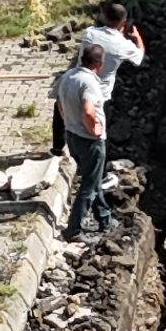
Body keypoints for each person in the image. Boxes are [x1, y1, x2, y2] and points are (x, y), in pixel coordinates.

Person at [53, 39, 119, 238]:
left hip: (72, 136)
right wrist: (95, 130)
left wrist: (68, 121)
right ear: (99, 64)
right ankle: (73, 230)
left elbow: (59, 105)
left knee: (93, 179)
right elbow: (89, 110)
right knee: (88, 188)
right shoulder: (90, 82)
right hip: (89, 141)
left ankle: (105, 218)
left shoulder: (68, 75)